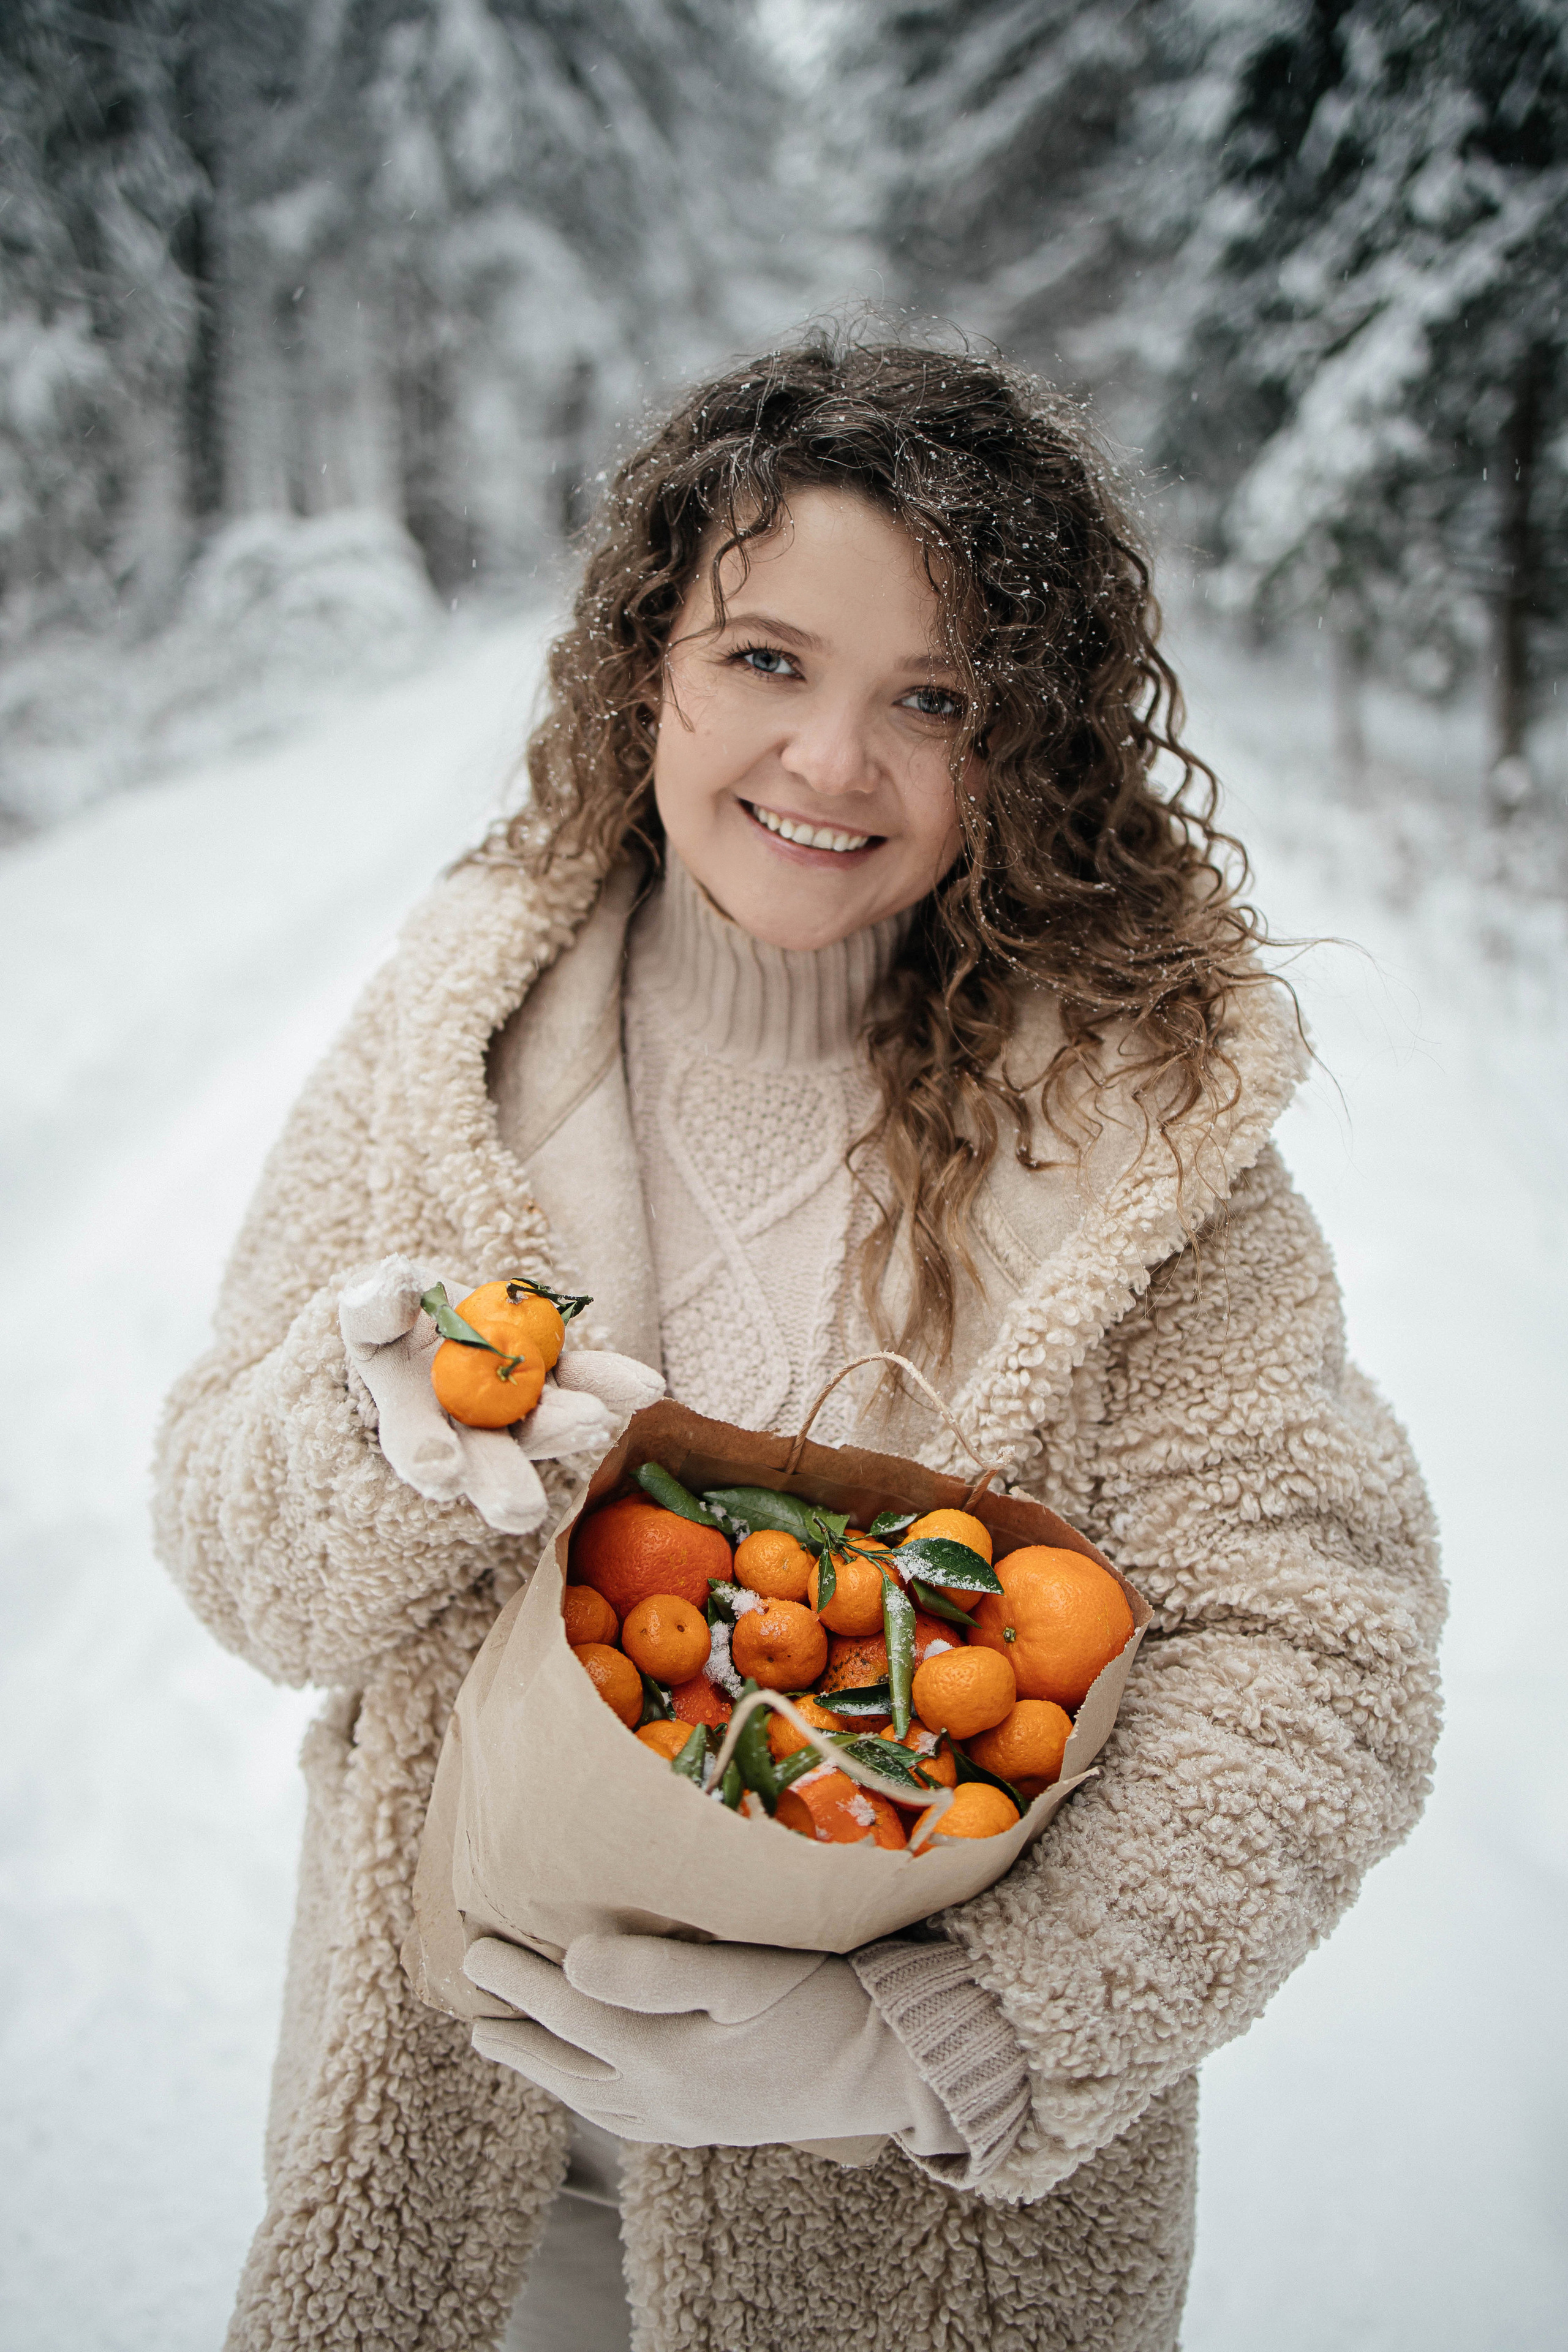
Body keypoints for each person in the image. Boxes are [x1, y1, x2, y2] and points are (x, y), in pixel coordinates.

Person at [153, 334, 1444, 2352]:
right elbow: (233, 1549)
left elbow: (1322, 1663)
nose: (833, 763)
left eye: (932, 699)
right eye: (767, 660)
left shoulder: (1138, 1131)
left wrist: (935, 2041)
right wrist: (360, 1440)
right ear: (645, 663)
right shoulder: (458, 1040)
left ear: (1023, 746)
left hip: (905, 2247)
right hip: (468, 2184)